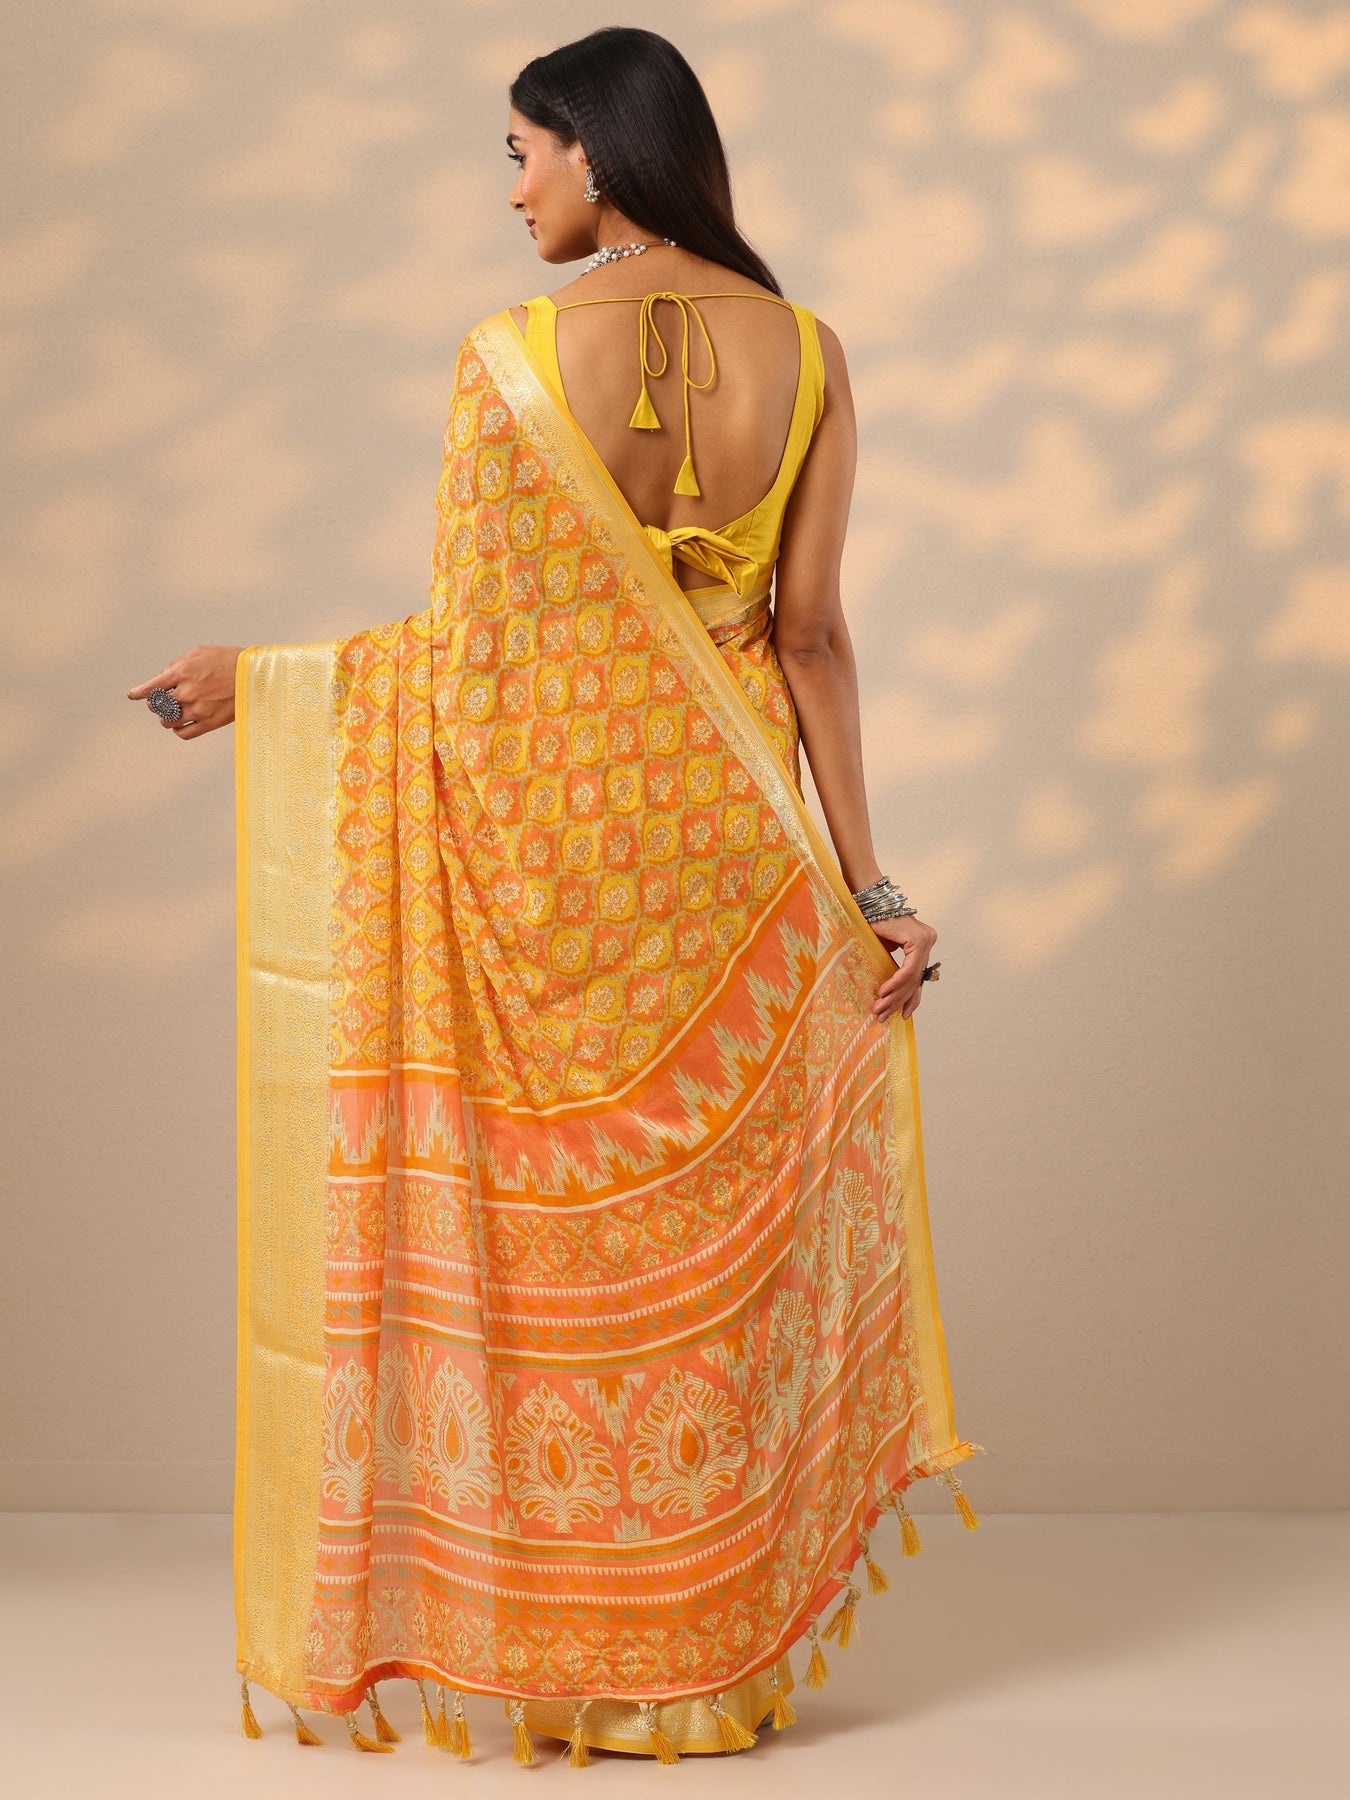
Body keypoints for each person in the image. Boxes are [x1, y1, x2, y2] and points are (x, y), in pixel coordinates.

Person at [128, 25, 980, 1766]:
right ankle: (702, 1678)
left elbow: (480, 663)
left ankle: (581, 1664)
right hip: (735, 863)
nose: (511, 191)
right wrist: (869, 883)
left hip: (561, 872)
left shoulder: (511, 358)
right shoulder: (811, 350)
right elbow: (812, 635)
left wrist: (264, 681)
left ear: (597, 150)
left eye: (519, 153)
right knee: (708, 1274)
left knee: (556, 1259)